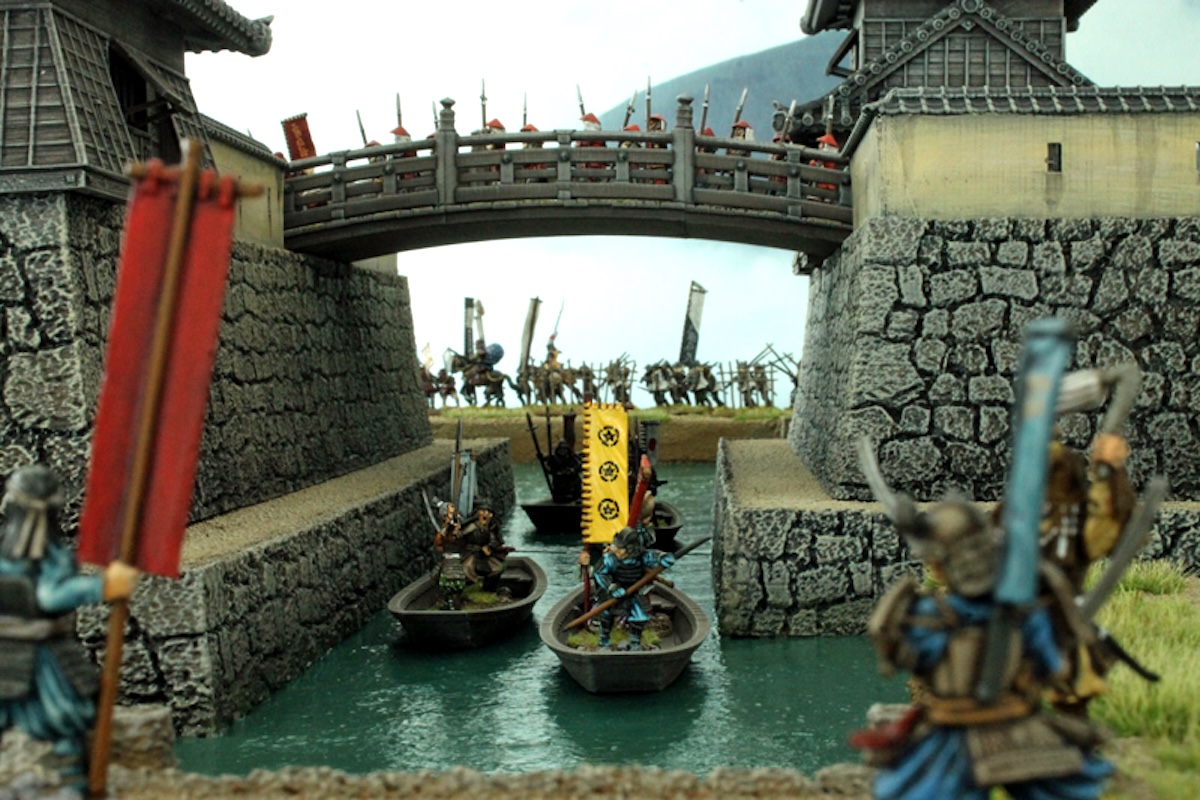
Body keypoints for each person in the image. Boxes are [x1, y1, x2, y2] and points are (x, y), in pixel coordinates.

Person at [852, 490, 1114, 800]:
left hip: (984, 731)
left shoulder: (940, 614)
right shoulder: (1015, 613)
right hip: (987, 729)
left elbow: (907, 658)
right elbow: (1054, 668)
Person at [0, 465, 139, 787]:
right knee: (65, 716)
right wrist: (104, 586)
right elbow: (49, 597)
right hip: (36, 659)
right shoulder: (46, 556)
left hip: (21, 650)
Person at [591, 525, 675, 650]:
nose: (617, 550)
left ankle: (635, 643)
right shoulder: (610, 559)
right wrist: (611, 587)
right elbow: (599, 573)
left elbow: (653, 556)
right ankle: (604, 642)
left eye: (621, 548)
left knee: (639, 616)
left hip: (634, 592)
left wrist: (663, 558)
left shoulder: (641, 557)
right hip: (614, 591)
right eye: (617, 547)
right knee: (606, 614)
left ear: (631, 549)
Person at [458, 499, 507, 592]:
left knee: (497, 568)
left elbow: (496, 540)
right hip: (471, 553)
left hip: (485, 555)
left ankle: (488, 589)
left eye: (488, 512)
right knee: (468, 569)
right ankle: (470, 590)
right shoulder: (471, 526)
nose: (486, 514)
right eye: (483, 511)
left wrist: (489, 547)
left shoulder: (492, 527)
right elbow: (460, 536)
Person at [432, 501, 467, 609]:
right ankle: (443, 599)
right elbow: (438, 545)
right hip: (447, 558)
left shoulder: (459, 526)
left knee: (461, 577)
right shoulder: (443, 530)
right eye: (448, 514)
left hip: (459, 557)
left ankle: (458, 598)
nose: (450, 516)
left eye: (451, 513)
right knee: (437, 577)